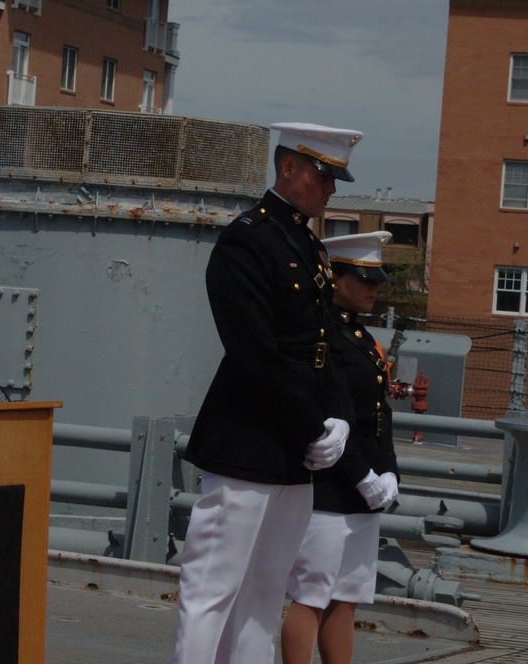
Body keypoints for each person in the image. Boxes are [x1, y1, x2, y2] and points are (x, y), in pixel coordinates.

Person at [172, 123, 363, 664]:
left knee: (264, 591)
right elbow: (256, 353)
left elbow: (326, 344)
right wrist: (313, 427)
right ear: (289, 169)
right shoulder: (247, 240)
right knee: (211, 590)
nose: (331, 189)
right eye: (324, 175)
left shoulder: (307, 245)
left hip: (294, 454)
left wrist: (341, 419)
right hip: (248, 443)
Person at [281, 230, 401, 664]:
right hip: (330, 483)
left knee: (346, 595)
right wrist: (361, 475)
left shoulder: (364, 340)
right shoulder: (324, 335)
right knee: (312, 593)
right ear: (334, 277)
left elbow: (378, 414)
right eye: (363, 278)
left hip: (363, 486)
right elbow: (333, 414)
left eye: (376, 280)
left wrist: (389, 473)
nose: (373, 288)